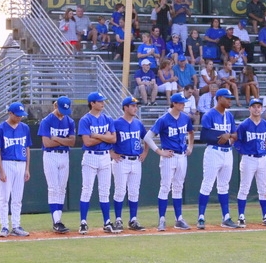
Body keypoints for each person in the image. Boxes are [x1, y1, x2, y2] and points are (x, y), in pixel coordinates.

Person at [144, 93, 194, 231]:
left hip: (182, 156)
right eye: (181, 103)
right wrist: (159, 152)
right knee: (165, 186)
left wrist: (190, 147)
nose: (183, 105)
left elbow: (191, 132)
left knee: (178, 187)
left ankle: (179, 219)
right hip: (169, 156)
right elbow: (148, 137)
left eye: (183, 103)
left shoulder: (185, 118)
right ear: (174, 104)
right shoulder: (164, 119)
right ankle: (162, 219)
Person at [197, 88, 239, 229]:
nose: (229, 100)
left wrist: (228, 136)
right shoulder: (209, 114)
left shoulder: (229, 116)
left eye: (230, 98)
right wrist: (223, 135)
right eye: (227, 98)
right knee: (207, 184)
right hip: (214, 152)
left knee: (224, 186)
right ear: (219, 98)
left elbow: (235, 134)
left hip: (227, 152)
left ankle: (226, 217)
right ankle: (201, 217)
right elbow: (205, 136)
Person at [78, 92, 117, 234]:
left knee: (105, 191)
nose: (102, 103)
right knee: (87, 189)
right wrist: (105, 137)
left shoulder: (108, 118)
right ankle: (83, 222)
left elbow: (113, 139)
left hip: (105, 156)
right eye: (100, 101)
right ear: (92, 103)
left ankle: (107, 222)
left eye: (102, 101)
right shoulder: (85, 119)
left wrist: (97, 135)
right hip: (90, 156)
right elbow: (87, 142)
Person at [0, 102, 32, 237]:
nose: (20, 117)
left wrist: (27, 168)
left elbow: (27, 148)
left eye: (21, 115)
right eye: (17, 115)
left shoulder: (25, 128)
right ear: (10, 113)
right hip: (6, 163)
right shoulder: (0, 129)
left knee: (17, 198)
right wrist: (1, 170)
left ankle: (16, 226)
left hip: (21, 163)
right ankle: (4, 226)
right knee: (4, 197)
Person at [235, 99, 266, 227]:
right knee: (244, 187)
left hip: (262, 158)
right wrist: (244, 151)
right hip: (248, 158)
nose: (257, 109)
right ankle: (241, 216)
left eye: (259, 106)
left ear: (262, 108)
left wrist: (264, 150)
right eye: (254, 106)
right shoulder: (244, 125)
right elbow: (237, 142)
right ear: (249, 108)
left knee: (263, 188)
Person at [38, 96, 76, 234]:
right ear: (55, 106)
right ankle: (56, 221)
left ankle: (58, 220)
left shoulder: (69, 121)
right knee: (53, 188)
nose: (63, 113)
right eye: (61, 109)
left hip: (64, 155)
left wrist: (56, 138)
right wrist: (63, 140)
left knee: (61, 189)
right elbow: (47, 143)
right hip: (50, 155)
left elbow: (72, 142)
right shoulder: (46, 121)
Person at [111, 96, 149, 231]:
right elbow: (108, 139)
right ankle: (118, 219)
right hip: (121, 160)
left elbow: (147, 138)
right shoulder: (116, 123)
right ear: (125, 107)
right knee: (120, 191)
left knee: (134, 191)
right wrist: (111, 153)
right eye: (132, 106)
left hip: (136, 161)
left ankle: (133, 220)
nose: (135, 108)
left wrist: (145, 152)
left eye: (136, 106)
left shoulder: (138, 123)